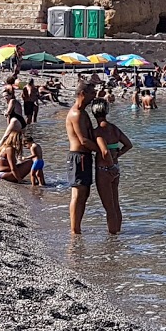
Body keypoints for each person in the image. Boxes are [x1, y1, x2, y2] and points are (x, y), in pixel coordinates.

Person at [89, 100, 132, 236]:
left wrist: (110, 164)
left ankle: (113, 238)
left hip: (104, 169)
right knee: (116, 204)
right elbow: (128, 145)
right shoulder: (114, 128)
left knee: (109, 208)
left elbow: (105, 151)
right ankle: (118, 232)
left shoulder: (98, 131)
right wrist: (118, 154)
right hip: (115, 169)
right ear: (106, 111)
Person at [65, 82, 101, 234]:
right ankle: (75, 230)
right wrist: (102, 151)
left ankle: (77, 227)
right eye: (92, 93)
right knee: (78, 193)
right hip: (78, 157)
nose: (95, 96)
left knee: (84, 193)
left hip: (84, 157)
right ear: (82, 94)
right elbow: (83, 140)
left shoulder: (84, 113)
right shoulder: (76, 114)